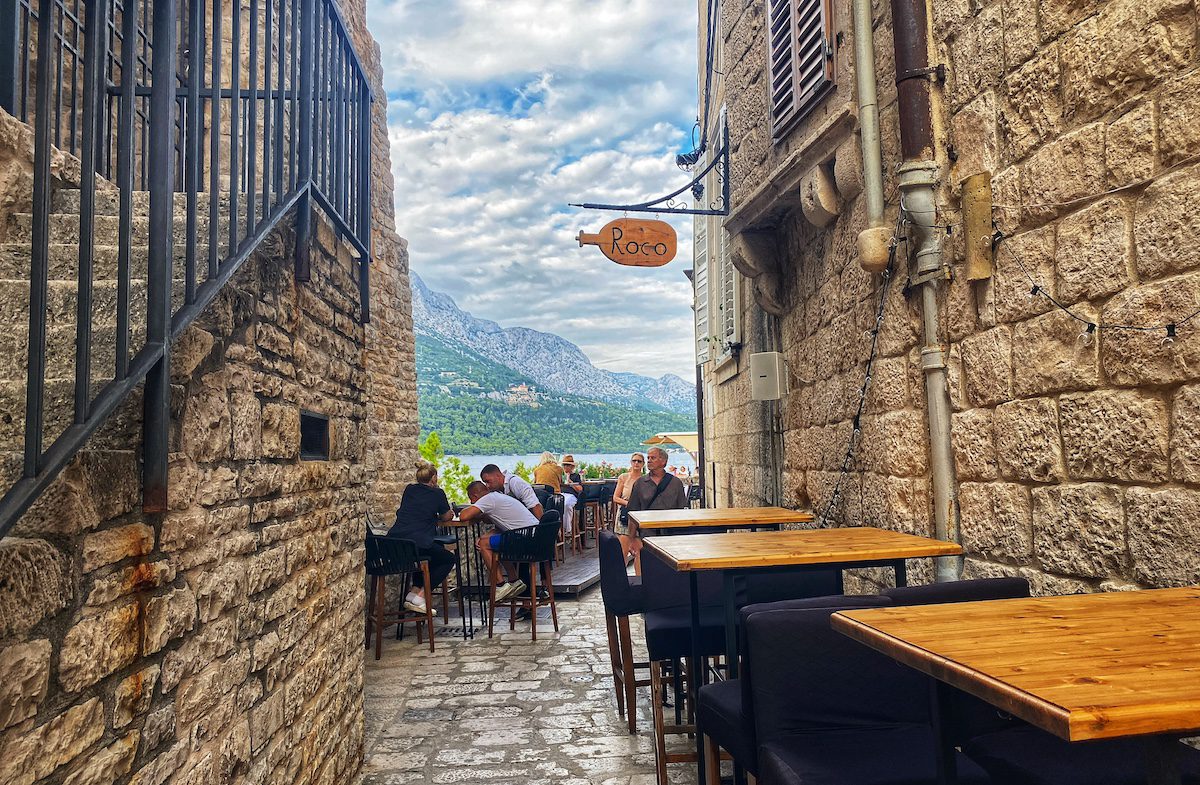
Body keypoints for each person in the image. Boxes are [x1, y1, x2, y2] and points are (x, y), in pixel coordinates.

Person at [387, 460, 457, 615]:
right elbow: (445, 516)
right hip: (417, 541)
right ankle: (422, 596)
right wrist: (448, 513)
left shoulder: (409, 490)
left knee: (425, 558)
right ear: (433, 478)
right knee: (448, 559)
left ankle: (413, 592)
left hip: (395, 543)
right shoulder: (437, 493)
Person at [459, 480, 536, 601]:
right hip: (534, 537)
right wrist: (485, 536)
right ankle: (514, 580)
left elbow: (463, 516)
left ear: (475, 496)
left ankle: (500, 584)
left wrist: (471, 509)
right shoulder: (498, 496)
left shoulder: (487, 499)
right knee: (491, 542)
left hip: (524, 539)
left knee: (484, 545)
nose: (471, 502)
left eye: (471, 499)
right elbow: (503, 528)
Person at [625, 446, 689, 572]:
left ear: (663, 461)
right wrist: (631, 539)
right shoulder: (640, 483)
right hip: (647, 536)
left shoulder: (676, 483)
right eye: (648, 458)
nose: (649, 460)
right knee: (649, 570)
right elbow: (633, 513)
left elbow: (682, 511)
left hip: (671, 536)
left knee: (669, 570)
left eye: (653, 458)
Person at [613, 452, 645, 528]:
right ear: (631, 462)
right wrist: (629, 504)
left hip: (640, 514)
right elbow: (615, 498)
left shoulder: (646, 479)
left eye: (639, 461)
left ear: (643, 464)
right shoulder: (624, 477)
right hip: (625, 512)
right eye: (634, 461)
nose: (636, 463)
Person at [560, 454, 583, 539]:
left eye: (567, 465)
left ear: (572, 466)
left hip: (572, 495)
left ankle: (567, 529)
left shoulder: (576, 476)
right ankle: (559, 528)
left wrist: (570, 482)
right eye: (564, 465)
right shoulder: (561, 476)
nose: (565, 467)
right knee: (557, 503)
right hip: (562, 494)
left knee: (566, 504)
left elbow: (580, 489)